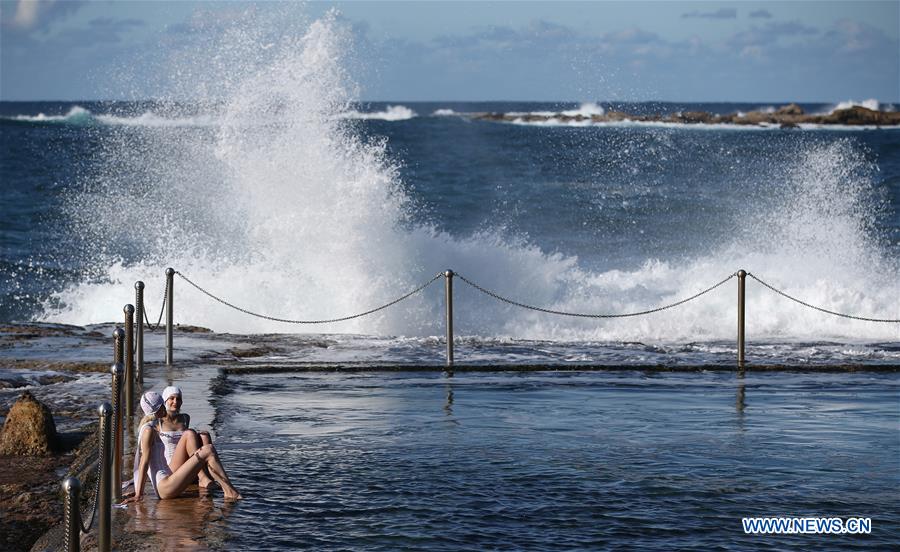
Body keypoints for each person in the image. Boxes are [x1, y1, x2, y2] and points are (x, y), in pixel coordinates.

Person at [122, 391, 241, 503]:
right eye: (162, 404)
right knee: (208, 450)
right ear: (157, 409)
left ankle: (227, 489)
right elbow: (144, 461)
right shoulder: (148, 430)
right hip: (165, 487)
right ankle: (230, 492)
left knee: (207, 448)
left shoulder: (150, 427)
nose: (165, 407)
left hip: (169, 480)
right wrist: (139, 494)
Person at [158, 386, 215, 488]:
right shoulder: (158, 422)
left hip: (186, 464)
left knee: (204, 435)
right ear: (165, 400)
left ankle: (210, 475)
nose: (175, 402)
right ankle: (202, 477)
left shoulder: (185, 418)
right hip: (170, 468)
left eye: (178, 399)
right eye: (172, 398)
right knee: (189, 433)